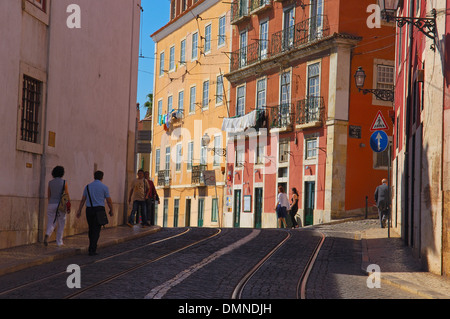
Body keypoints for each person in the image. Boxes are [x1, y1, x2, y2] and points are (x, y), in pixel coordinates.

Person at [76, 171, 113, 256]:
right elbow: (109, 201)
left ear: (94, 176)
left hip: (89, 210)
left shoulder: (88, 186)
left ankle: (91, 246)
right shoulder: (104, 187)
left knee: (91, 228)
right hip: (99, 210)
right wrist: (111, 210)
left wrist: (79, 210)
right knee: (96, 230)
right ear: (102, 177)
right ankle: (92, 249)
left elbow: (83, 199)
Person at [44, 166, 71, 247]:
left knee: (51, 222)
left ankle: (47, 234)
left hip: (51, 204)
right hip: (60, 205)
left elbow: (49, 195)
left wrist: (51, 204)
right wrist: (68, 204)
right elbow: (66, 195)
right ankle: (59, 242)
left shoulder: (50, 182)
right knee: (61, 223)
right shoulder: (64, 182)